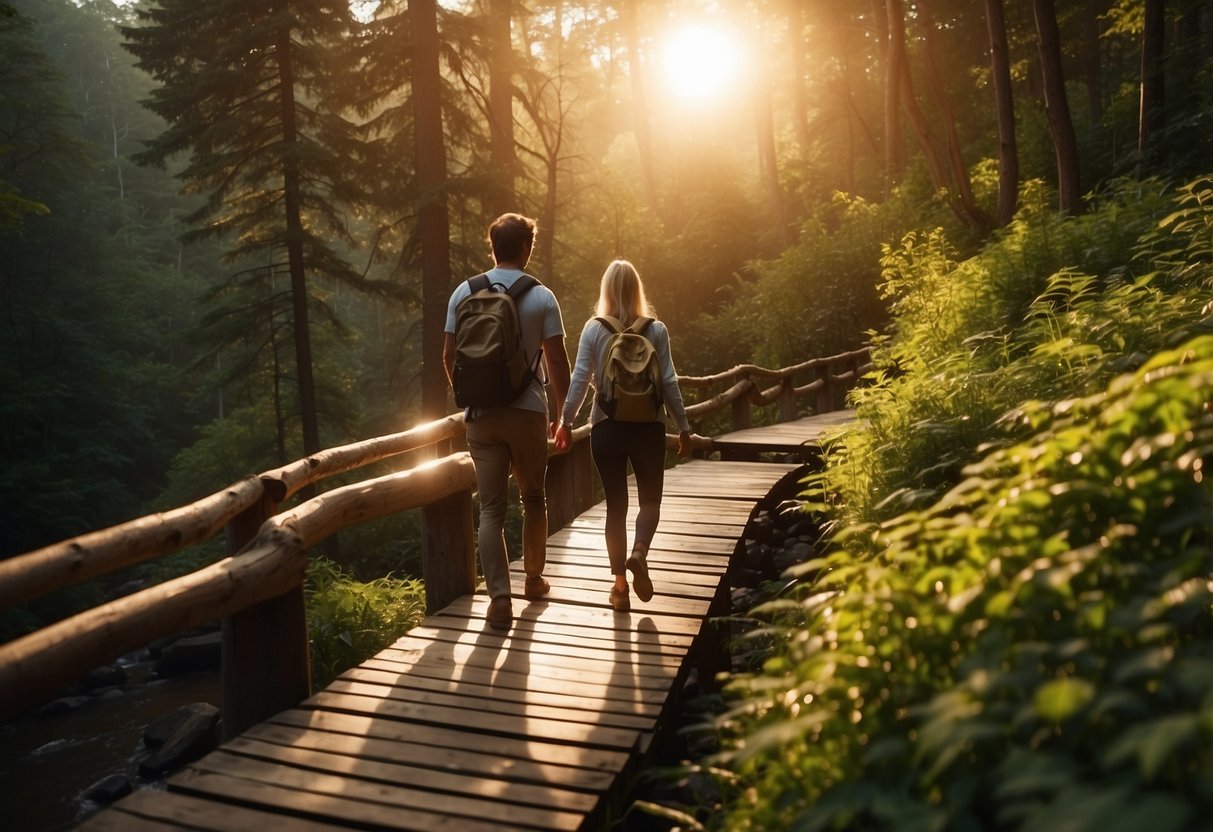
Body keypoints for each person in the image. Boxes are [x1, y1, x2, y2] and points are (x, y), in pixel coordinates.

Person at [443, 213, 570, 631]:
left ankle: (499, 599)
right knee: (533, 499)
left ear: (492, 247)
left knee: (491, 510)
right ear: (526, 248)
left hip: (481, 417)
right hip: (529, 411)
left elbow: (449, 356)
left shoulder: (463, 292)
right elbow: (556, 361)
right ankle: (533, 580)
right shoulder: (542, 297)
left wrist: (470, 396)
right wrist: (564, 415)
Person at [554, 259, 692, 612]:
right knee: (650, 502)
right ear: (637, 289)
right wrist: (684, 426)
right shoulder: (656, 330)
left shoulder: (593, 329)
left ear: (605, 290)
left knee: (616, 507)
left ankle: (619, 589)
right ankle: (640, 552)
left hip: (606, 426)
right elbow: (670, 382)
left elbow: (581, 379)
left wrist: (565, 421)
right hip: (649, 428)